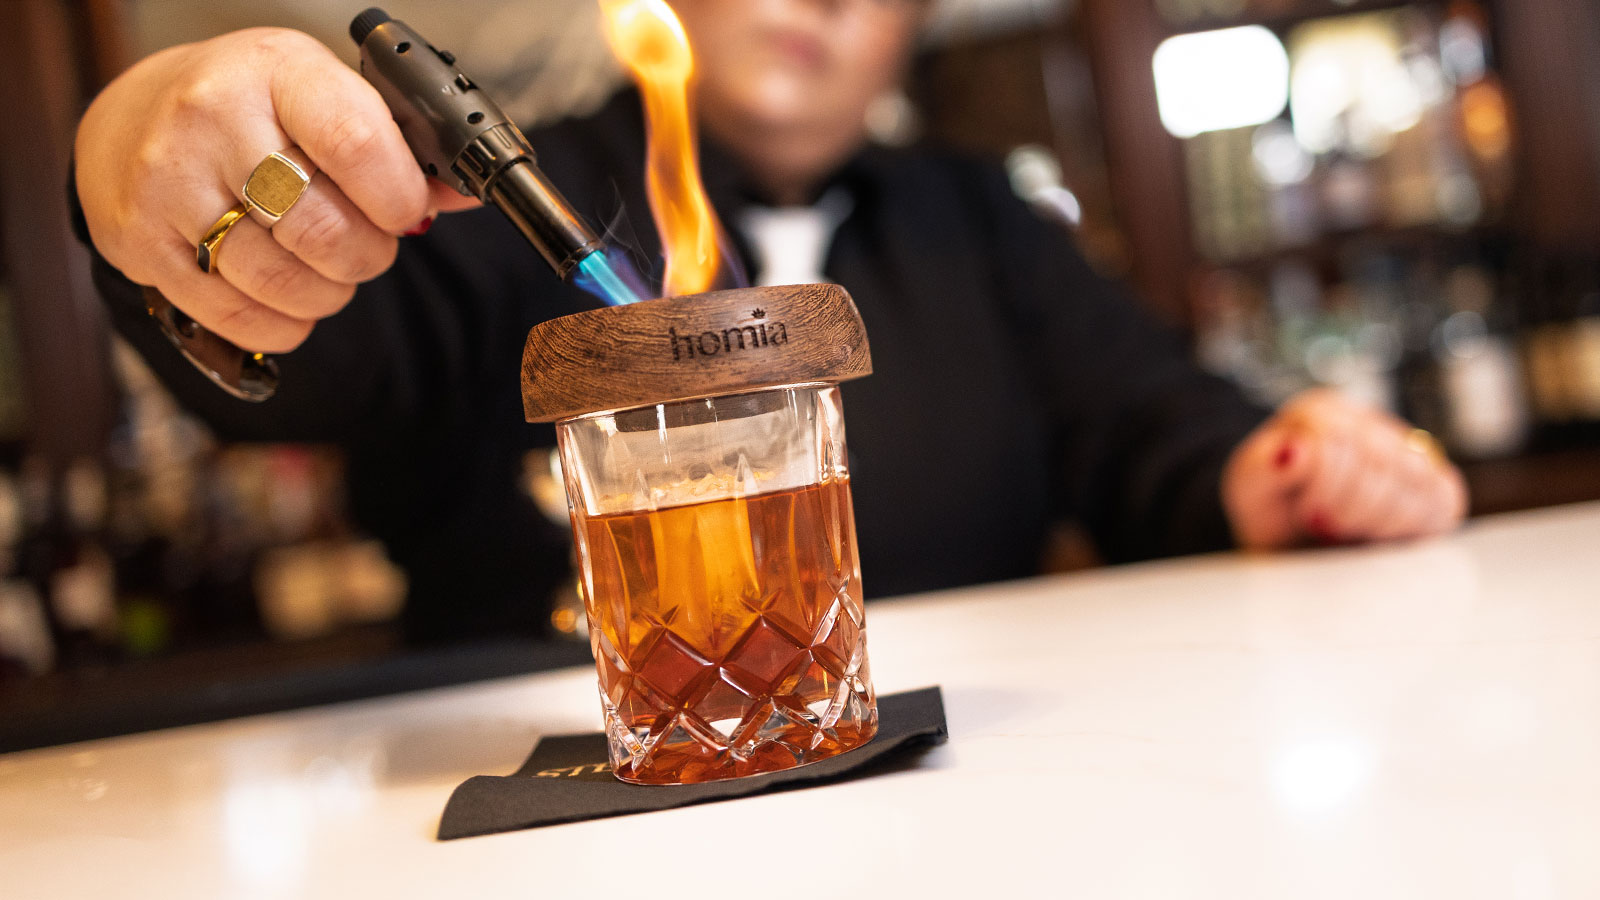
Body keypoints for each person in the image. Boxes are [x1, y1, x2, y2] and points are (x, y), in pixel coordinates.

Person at [71, 0, 1466, 642]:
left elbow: (1151, 422)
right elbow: (306, 363)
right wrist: (138, 167)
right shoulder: (485, 204)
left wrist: (1275, 470)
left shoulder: (977, 220)